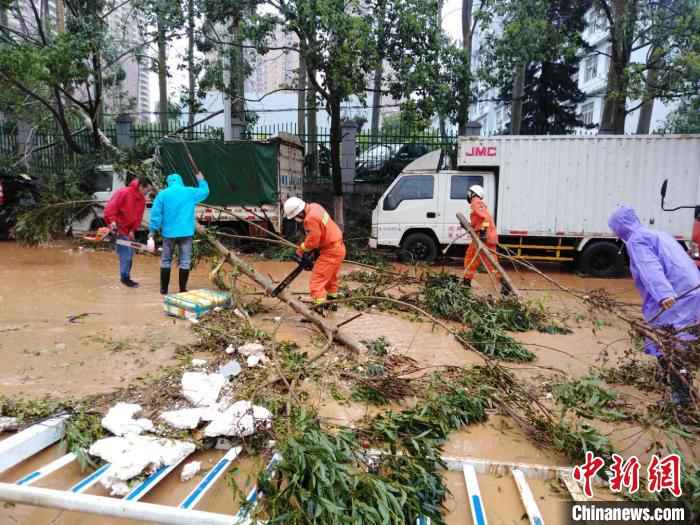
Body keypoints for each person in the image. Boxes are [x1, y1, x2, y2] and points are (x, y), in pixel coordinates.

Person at [608, 206, 700, 407]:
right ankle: (680, 386)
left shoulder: (637, 241)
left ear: (620, 227)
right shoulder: (657, 234)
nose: (614, 233)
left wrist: (663, 294)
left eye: (614, 228)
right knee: (685, 341)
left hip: (675, 299)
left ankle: (682, 398)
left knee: (669, 344)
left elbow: (650, 268)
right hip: (691, 292)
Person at [148, 172, 209, 295]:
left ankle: (164, 290)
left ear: (168, 183)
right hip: (186, 233)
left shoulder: (163, 194)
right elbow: (205, 191)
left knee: (166, 261)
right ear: (181, 181)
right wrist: (201, 179)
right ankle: (182, 290)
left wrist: (152, 232)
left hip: (169, 234)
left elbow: (156, 214)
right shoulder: (189, 192)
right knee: (185, 261)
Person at [283, 197, 346, 309]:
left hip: (330, 252)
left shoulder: (310, 219)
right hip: (338, 248)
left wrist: (300, 250)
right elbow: (321, 233)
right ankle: (332, 305)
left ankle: (319, 311)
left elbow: (313, 241)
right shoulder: (315, 206)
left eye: (296, 217)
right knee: (330, 279)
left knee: (316, 282)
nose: (297, 219)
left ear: (300, 212)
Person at [103, 176, 152, 288]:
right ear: (141, 186)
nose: (147, 193)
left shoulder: (142, 199)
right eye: (147, 190)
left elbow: (137, 217)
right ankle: (125, 279)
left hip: (128, 230)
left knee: (129, 254)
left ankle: (126, 278)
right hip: (118, 228)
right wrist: (112, 222)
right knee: (126, 255)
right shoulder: (123, 193)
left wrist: (132, 230)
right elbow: (109, 210)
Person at [462, 185, 509, 295]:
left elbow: (486, 219)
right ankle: (505, 285)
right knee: (492, 263)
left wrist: (483, 231)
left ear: (474, 193)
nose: (467, 195)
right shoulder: (478, 204)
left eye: (470, 192)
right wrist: (468, 226)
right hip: (486, 237)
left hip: (484, 238)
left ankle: (466, 281)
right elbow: (478, 222)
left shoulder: (476, 202)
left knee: (470, 257)